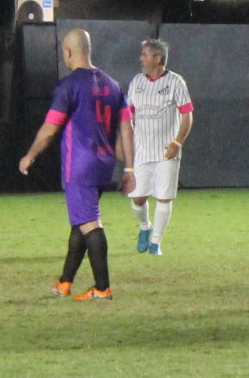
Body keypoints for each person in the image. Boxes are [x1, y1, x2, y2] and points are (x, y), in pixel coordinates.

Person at [18, 27, 132, 302]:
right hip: (104, 165)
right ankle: (65, 283)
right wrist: (129, 168)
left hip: (79, 165)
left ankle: (102, 288)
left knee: (89, 223)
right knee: (81, 221)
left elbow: (50, 128)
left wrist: (30, 155)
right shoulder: (113, 84)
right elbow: (127, 130)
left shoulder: (68, 85)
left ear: (68, 52)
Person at [124, 38, 194, 253]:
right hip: (142, 150)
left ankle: (156, 243)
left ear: (157, 58)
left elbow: (187, 115)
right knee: (137, 198)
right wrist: (125, 142)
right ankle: (145, 227)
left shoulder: (175, 82)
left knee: (164, 197)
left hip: (167, 151)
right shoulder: (137, 81)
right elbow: (128, 115)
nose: (141, 58)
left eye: (145, 55)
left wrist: (177, 142)